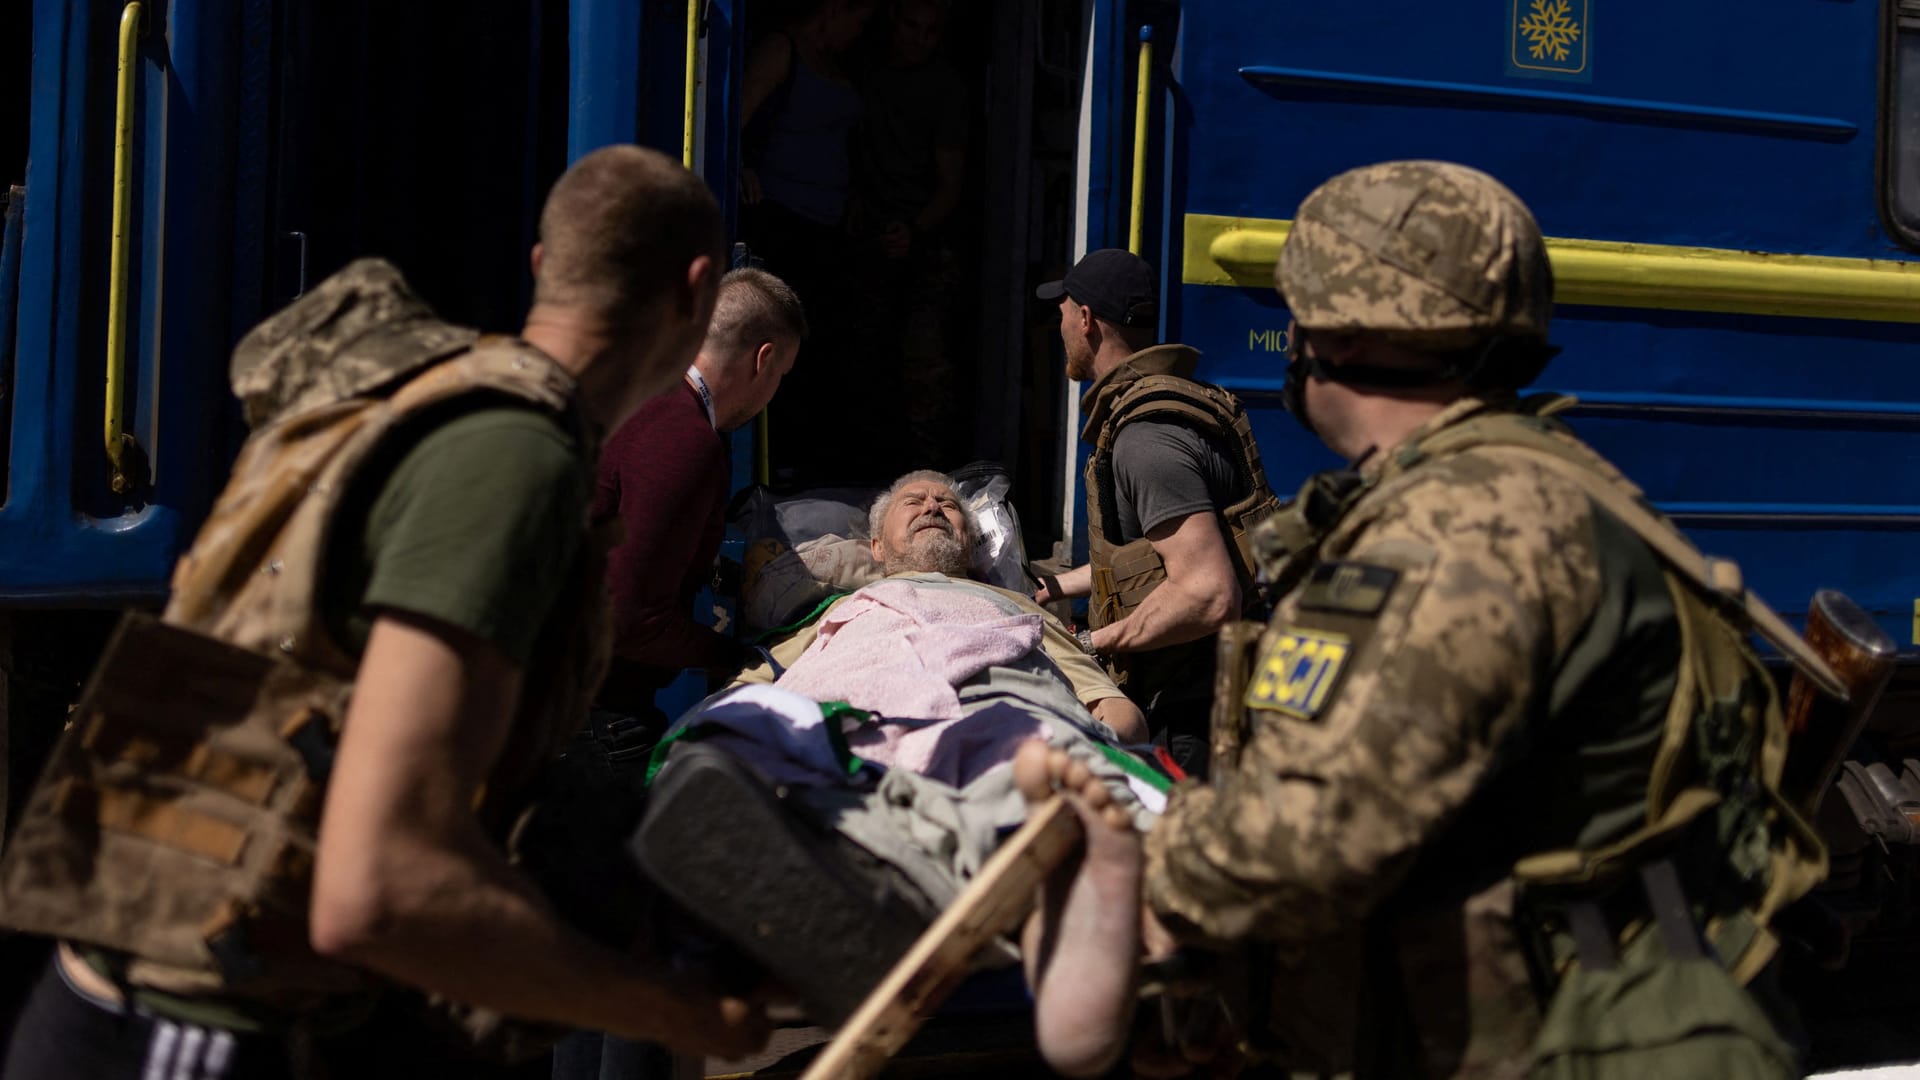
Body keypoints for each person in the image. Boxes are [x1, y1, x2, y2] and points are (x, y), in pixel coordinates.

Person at [1014, 160, 1826, 1078]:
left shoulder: (1453, 531)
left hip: (1584, 1045)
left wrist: (1143, 889)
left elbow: (1320, 825)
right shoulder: (1532, 479)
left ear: (1340, 336)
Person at [0, 146, 770, 1078]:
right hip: (196, 1020)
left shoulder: (436, 392)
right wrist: (670, 1008)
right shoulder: (512, 462)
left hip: (180, 990)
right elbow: (379, 889)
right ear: (696, 293)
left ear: (542, 267)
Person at [1034, 249, 1281, 774]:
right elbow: (1154, 560)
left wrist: (1086, 645)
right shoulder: (1172, 407)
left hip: (1190, 716)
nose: (1060, 328)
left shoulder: (1145, 440)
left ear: (1085, 320)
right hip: (1212, 695)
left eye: (1063, 313)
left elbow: (1207, 593)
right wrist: (1057, 588)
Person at [734, 470, 1147, 746]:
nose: (931, 506)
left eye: (947, 505)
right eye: (912, 502)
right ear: (875, 546)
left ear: (969, 545)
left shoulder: (1019, 610)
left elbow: (1116, 713)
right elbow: (745, 692)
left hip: (1004, 751)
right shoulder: (841, 610)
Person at [592, 268, 808, 745]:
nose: (772, 396)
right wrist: (735, 658)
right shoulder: (681, 436)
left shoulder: (629, 387)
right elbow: (631, 621)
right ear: (763, 359)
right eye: (781, 377)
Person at [739, 0, 875, 486]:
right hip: (782, 222)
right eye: (858, 19)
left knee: (826, 344)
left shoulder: (837, 63)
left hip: (829, 228)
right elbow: (735, 116)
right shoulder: (783, 49)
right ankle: (777, 466)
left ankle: (814, 462)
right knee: (782, 341)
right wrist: (741, 166)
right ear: (834, 9)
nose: (861, 32)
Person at [846, 0, 970, 468]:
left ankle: (924, 472)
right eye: (910, 24)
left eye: (930, 30)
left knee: (924, 363)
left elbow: (951, 184)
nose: (918, 38)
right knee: (862, 356)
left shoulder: (945, 89)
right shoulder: (863, 70)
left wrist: (913, 229)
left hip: (926, 239)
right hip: (862, 233)